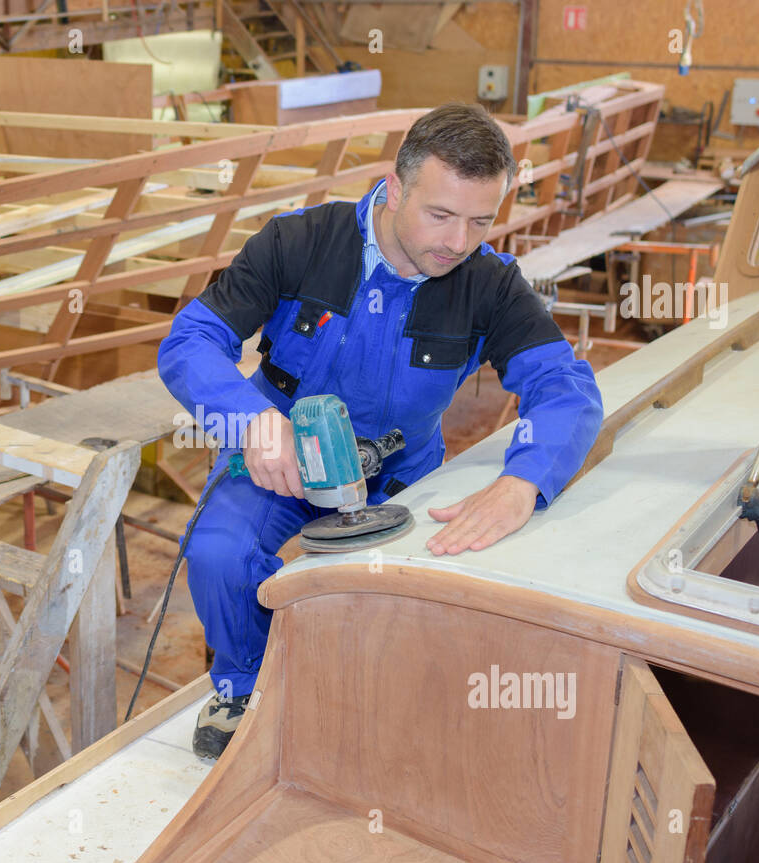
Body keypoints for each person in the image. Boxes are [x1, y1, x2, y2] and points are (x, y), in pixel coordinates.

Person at [157, 103, 604, 759]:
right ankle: (242, 686)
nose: (457, 241)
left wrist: (522, 481)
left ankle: (377, 707)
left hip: (399, 476)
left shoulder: (489, 284)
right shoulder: (298, 243)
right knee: (220, 550)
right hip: (281, 460)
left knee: (411, 607)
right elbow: (190, 340)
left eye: (481, 220)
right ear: (395, 188)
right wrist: (249, 420)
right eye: (440, 215)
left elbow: (566, 387)